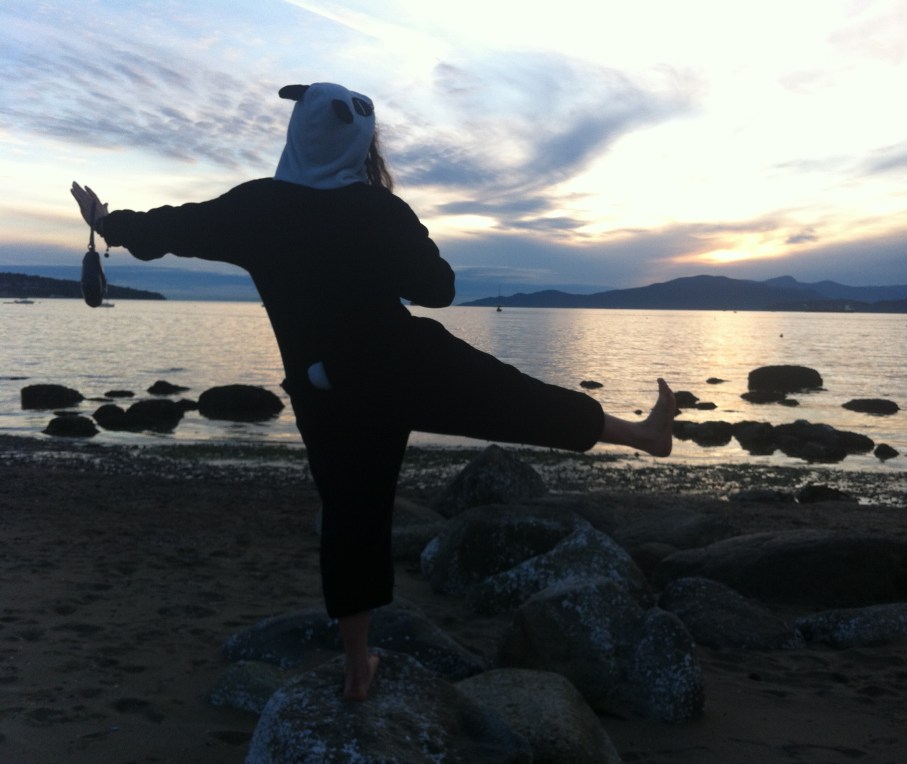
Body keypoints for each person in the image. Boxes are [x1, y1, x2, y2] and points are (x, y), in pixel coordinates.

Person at [71, 81, 678, 700]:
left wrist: (104, 223)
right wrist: (394, 236)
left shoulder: (256, 207)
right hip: (405, 361)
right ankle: (641, 434)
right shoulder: (377, 209)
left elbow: (171, 228)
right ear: (362, 142)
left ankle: (358, 665)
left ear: (297, 133)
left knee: (352, 515)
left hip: (326, 388)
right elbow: (438, 289)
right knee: (519, 401)